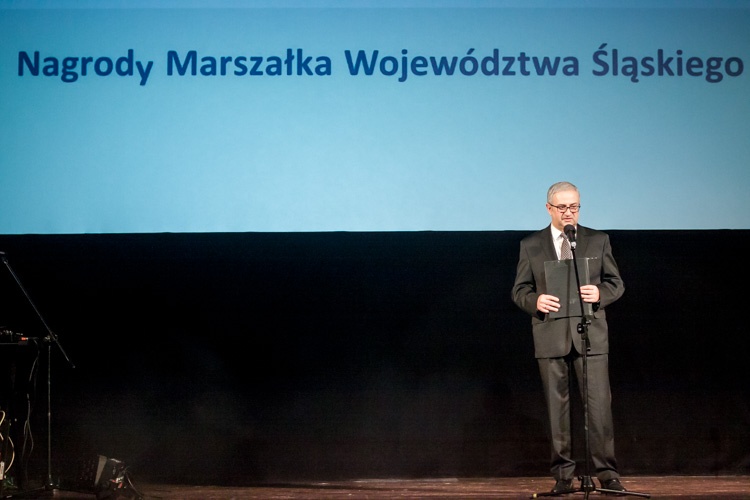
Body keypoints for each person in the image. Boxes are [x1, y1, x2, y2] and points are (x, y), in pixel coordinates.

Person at [511, 181, 627, 495]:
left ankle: (607, 474)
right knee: (556, 410)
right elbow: (519, 290)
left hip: (590, 335)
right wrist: (535, 301)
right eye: (562, 207)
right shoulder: (531, 245)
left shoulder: (597, 240)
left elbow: (616, 283)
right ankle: (563, 475)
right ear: (548, 208)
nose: (568, 213)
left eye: (574, 207)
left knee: (599, 409)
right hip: (550, 334)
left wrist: (599, 293)